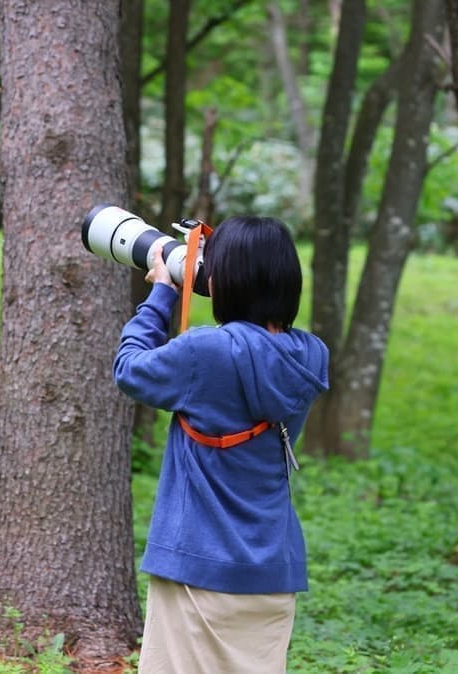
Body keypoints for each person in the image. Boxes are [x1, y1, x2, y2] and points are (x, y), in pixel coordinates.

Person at [113, 215, 329, 673]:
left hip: (197, 568)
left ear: (221, 280)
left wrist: (162, 293)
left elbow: (129, 369)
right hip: (271, 572)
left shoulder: (204, 352)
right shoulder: (311, 355)